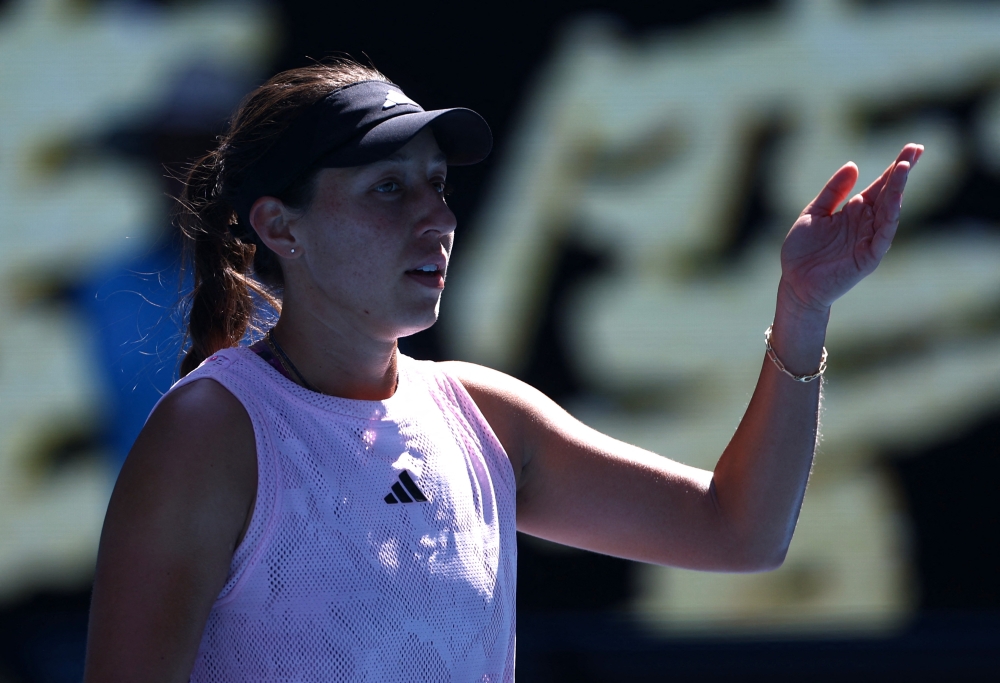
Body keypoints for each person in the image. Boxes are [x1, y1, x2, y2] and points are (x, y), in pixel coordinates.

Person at [82, 59, 921, 682]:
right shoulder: (209, 432)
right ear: (281, 227)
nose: (437, 217)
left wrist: (804, 306)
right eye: (387, 189)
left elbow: (741, 530)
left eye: (438, 186)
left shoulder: (483, 413)